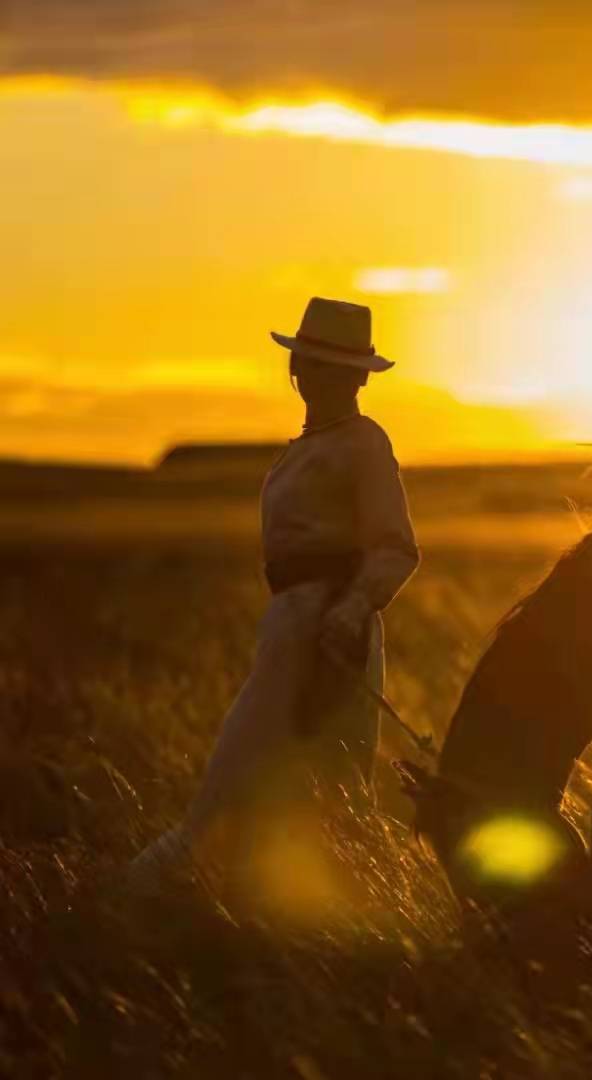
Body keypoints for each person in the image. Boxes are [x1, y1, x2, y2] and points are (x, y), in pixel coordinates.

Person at [127, 297, 420, 903]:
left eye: (330, 368)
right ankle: (278, 910)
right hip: (291, 625)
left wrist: (351, 609)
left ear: (359, 377)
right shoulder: (308, 445)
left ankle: (130, 903)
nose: (313, 377)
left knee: (301, 780)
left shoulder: (364, 442)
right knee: (290, 780)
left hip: (335, 628)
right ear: (295, 371)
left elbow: (395, 548)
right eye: (308, 365)